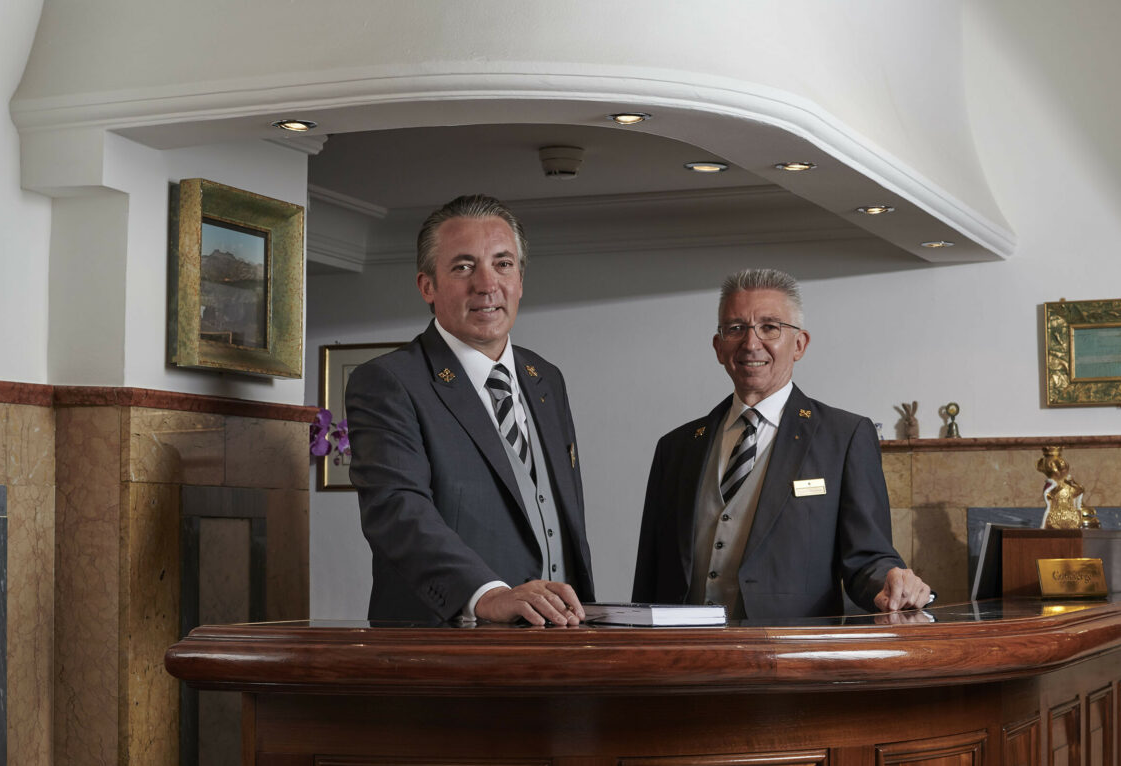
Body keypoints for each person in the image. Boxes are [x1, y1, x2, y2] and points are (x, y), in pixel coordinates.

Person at [345, 195, 593, 625]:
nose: (486, 284)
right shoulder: (389, 382)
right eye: (463, 267)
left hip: (560, 642)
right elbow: (398, 511)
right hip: (447, 651)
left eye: (503, 264)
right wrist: (486, 594)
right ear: (427, 286)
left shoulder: (545, 378)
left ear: (520, 280)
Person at [632, 268, 930, 621]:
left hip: (792, 658)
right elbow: (649, 578)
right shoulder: (676, 447)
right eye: (736, 328)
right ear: (718, 346)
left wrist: (891, 582)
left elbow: (867, 558)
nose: (751, 343)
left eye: (769, 327)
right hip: (685, 661)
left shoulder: (845, 437)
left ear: (800, 344)